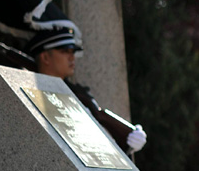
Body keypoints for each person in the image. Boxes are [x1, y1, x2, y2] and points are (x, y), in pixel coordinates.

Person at [26, 27, 147, 156]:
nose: (72, 57)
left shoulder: (79, 93)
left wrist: (130, 138)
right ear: (45, 57)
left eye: (72, 51)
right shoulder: (31, 89)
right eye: (65, 51)